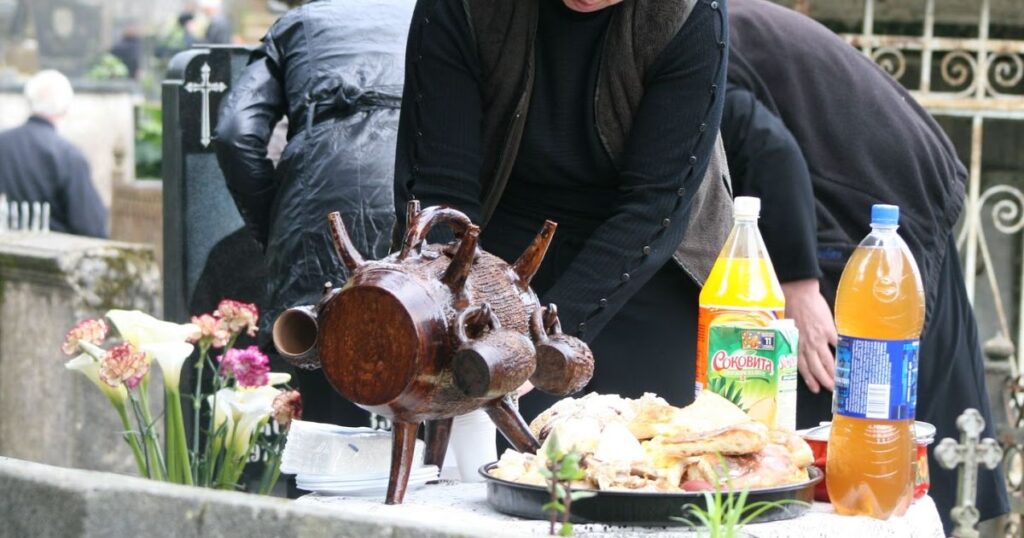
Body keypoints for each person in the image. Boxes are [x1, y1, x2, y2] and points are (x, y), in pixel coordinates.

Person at [721, 0, 1008, 530]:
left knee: (856, 410)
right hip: (896, 195)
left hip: (872, 212)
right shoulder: (725, 21)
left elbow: (771, 151)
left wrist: (800, 287)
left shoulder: (693, 33)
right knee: (915, 430)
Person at [395, 0, 733, 419]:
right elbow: (439, 186)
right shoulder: (462, 7)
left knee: (638, 445)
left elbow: (655, 204)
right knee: (465, 425)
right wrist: (453, 318)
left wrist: (540, 342)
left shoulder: (688, 12)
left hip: (649, 254)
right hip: (495, 238)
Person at [213, 0, 414, 427]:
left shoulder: (299, 24)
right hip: (415, 200)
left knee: (325, 386)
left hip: (318, 212)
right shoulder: (439, 16)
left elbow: (235, 134)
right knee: (425, 363)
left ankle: (326, 481)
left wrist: (277, 228)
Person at [0, 70, 107, 238]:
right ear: (65, 108)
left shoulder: (3, 142)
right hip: (51, 256)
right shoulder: (68, 155)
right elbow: (91, 226)